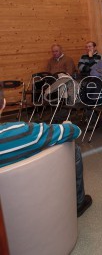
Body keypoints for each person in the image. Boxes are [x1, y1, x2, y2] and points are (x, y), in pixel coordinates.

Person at [0, 88, 93, 217]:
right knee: (74, 149)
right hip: (29, 193)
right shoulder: (23, 131)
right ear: (4, 103)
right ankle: (79, 203)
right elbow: (74, 131)